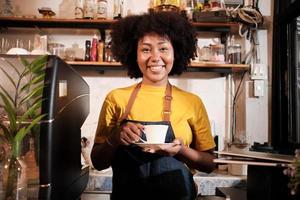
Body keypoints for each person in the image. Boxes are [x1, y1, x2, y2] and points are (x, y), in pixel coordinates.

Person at [91, 11, 216, 200]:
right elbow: (98, 162)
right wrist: (116, 138)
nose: (155, 57)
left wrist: (181, 150)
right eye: (146, 49)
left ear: (176, 52)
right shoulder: (116, 98)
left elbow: (209, 164)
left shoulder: (192, 102)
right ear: (135, 54)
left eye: (163, 48)